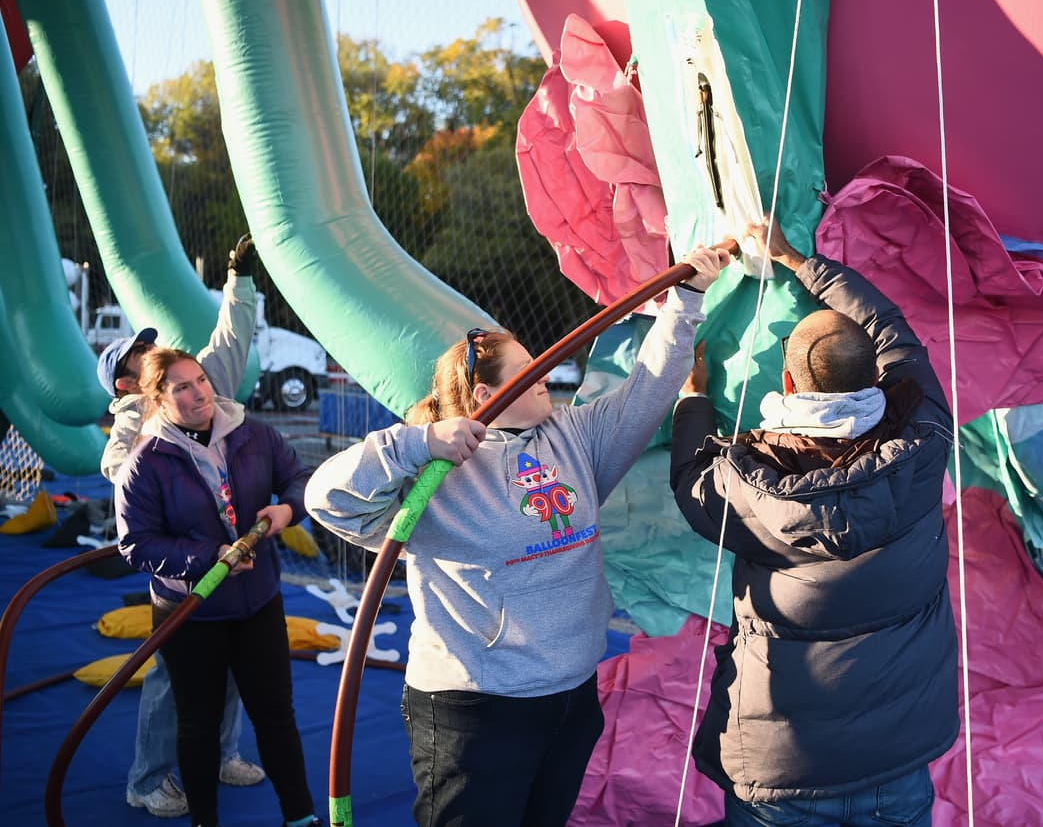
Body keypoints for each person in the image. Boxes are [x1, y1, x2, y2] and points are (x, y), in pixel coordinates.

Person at [304, 245, 730, 827]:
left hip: (572, 693)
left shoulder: (575, 435)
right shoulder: (432, 476)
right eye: (529, 371)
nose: (546, 376)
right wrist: (417, 443)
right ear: (485, 397)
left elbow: (648, 387)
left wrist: (688, 298)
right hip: (474, 709)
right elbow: (325, 499)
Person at [668, 219, 959, 827]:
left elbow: (690, 479)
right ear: (874, 373)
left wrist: (693, 399)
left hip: (779, 776)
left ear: (788, 381)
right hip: (896, 764)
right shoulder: (927, 433)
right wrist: (801, 261)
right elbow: (893, 328)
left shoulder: (743, 482)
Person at [97, 234, 266, 818]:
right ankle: (146, 781)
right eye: (138, 355)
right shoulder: (135, 421)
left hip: (232, 559)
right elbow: (118, 469)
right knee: (172, 677)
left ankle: (222, 753)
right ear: (125, 383)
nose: (153, 351)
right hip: (184, 573)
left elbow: (231, 340)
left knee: (235, 664)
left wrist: (239, 280)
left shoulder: (194, 386)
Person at [115, 346, 320, 827]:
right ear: (159, 400)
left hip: (257, 604)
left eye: (200, 380)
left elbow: (299, 478)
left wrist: (289, 510)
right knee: (199, 724)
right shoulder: (145, 462)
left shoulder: (254, 434)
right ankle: (205, 820)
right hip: (191, 613)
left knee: (275, 716)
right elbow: (135, 544)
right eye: (181, 387)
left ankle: (301, 817)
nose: (198, 392)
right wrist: (208, 559)